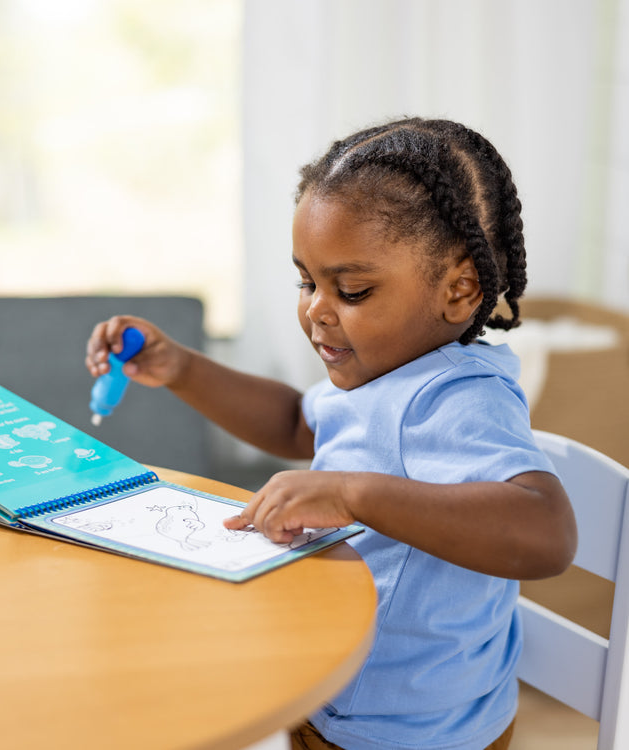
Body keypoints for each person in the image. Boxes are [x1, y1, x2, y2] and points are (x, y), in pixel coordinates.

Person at [85, 117, 577, 750]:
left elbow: (547, 533)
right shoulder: (387, 372)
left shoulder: (456, 395)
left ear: (460, 288)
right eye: (306, 281)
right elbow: (296, 421)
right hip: (339, 684)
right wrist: (181, 367)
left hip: (404, 730)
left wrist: (352, 494)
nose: (316, 309)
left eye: (351, 289)